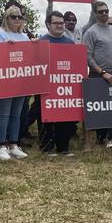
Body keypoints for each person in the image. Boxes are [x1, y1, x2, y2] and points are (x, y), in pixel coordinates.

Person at [81, 1, 112, 152]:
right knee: (91, 110)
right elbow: (88, 57)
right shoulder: (90, 32)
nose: (104, 14)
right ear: (95, 13)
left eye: (106, 11)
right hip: (96, 75)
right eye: (100, 12)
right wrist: (102, 72)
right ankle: (87, 144)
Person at [0, 6, 30, 160]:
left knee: (16, 115)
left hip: (20, 80)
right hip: (4, 80)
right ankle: (0, 146)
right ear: (6, 18)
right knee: (4, 113)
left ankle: (13, 144)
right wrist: (5, 47)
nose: (17, 20)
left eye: (20, 17)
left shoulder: (24, 37)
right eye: (13, 17)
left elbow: (30, 57)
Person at [35, 11, 77, 156]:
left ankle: (63, 147)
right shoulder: (41, 42)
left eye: (61, 23)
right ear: (48, 25)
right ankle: (46, 147)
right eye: (56, 23)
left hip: (64, 86)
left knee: (63, 115)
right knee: (45, 117)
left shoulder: (70, 43)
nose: (59, 26)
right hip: (44, 85)